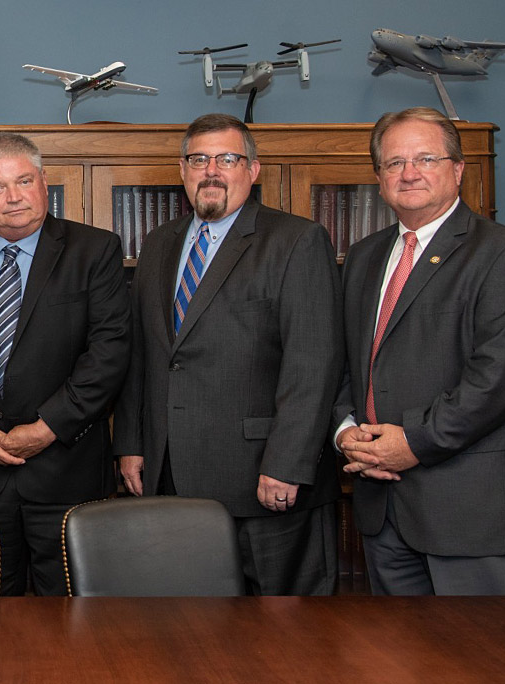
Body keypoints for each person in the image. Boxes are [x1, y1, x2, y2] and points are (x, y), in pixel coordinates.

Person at [335, 106, 505, 604]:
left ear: (457, 169)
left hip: (478, 512)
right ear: (378, 178)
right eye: (393, 163)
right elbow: (344, 365)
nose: (409, 173)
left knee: (487, 670)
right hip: (383, 509)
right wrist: (346, 431)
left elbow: (502, 381)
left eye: (425, 158)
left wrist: (412, 442)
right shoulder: (363, 258)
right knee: (398, 670)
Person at [115, 113, 342, 595]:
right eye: (199, 159)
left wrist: (286, 463)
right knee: (188, 627)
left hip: (263, 479)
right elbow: (144, 355)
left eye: (227, 158)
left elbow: (313, 365)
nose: (211, 170)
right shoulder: (159, 244)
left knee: (281, 639)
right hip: (170, 473)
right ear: (183, 169)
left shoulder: (296, 241)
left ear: (253, 170)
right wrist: (133, 444)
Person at [0, 132, 130, 595]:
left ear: (43, 182)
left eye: (23, 182)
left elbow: (109, 353)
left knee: (70, 615)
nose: (13, 197)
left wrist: (45, 429)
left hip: (66, 470)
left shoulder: (94, 250)